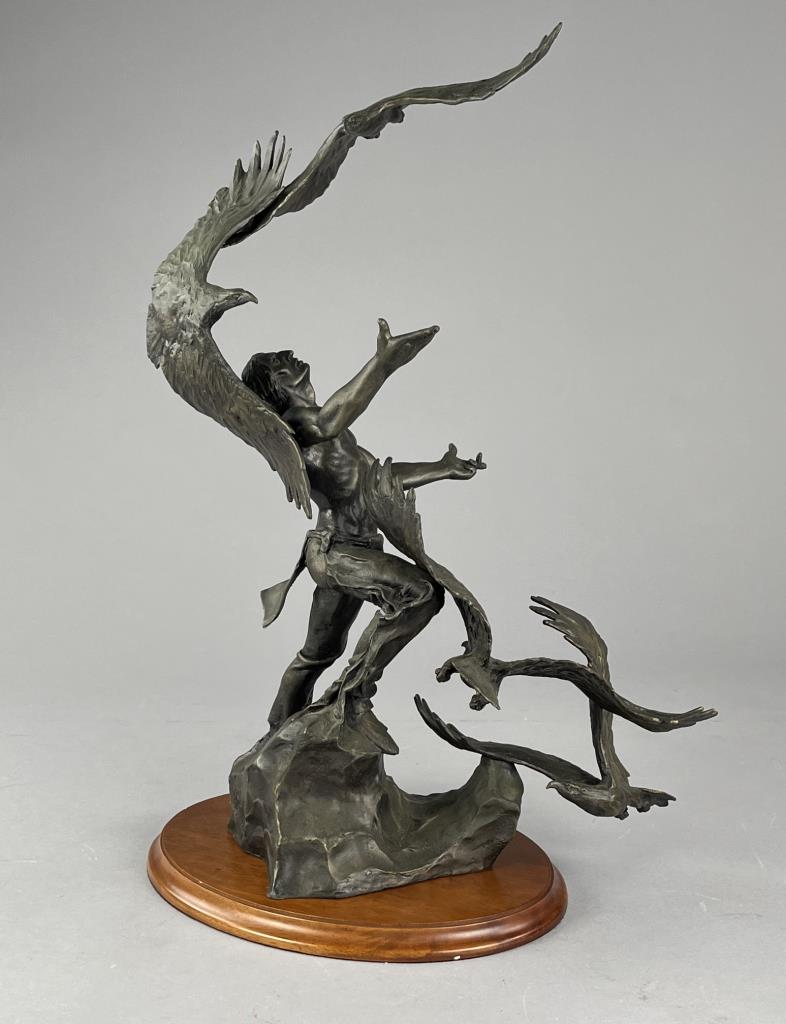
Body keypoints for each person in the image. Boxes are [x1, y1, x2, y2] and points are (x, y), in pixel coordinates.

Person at [241, 318, 486, 732]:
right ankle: (354, 695)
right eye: (283, 361)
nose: (293, 357)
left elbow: (376, 481)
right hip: (336, 551)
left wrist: (441, 468)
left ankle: (280, 733)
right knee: (421, 595)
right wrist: (382, 363)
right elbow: (328, 421)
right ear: (277, 383)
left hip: (358, 548)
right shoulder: (295, 425)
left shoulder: (329, 430)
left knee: (318, 653)